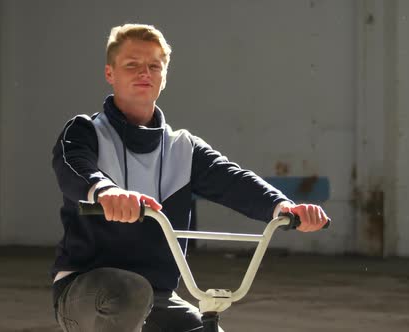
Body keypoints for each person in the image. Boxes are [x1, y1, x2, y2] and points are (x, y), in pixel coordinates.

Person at [51, 23, 330, 332]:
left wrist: (285, 208)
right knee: (128, 293)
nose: (144, 72)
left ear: (163, 77)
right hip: (86, 293)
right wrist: (105, 192)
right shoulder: (86, 131)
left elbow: (233, 180)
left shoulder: (183, 148)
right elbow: (72, 166)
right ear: (110, 74)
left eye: (153, 66)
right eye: (132, 65)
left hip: (158, 298)